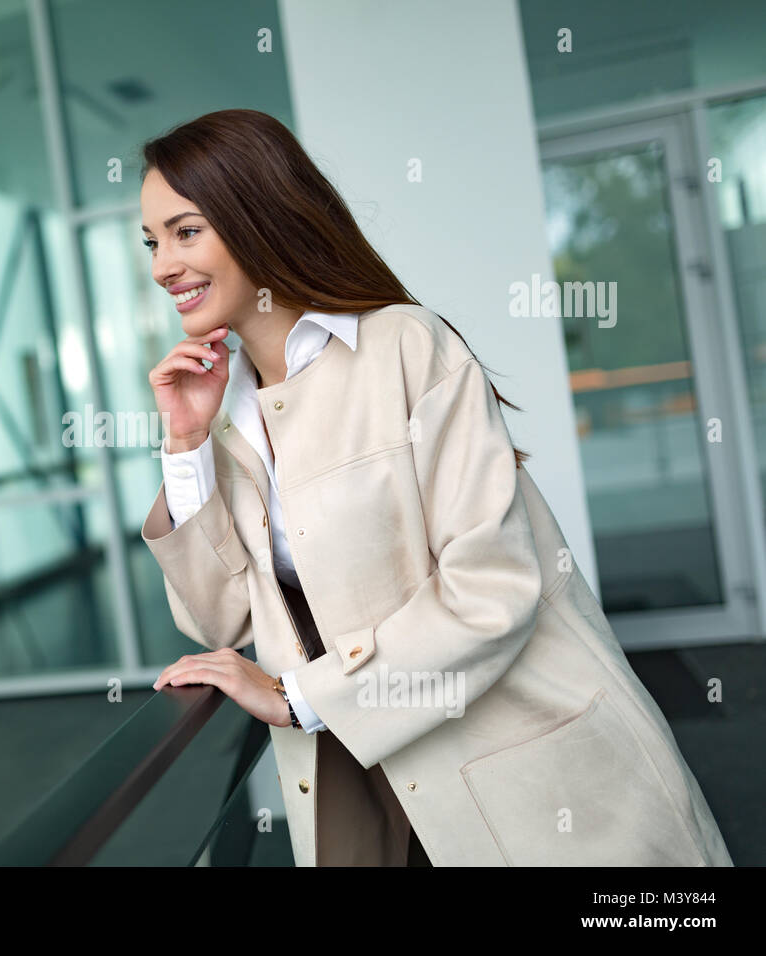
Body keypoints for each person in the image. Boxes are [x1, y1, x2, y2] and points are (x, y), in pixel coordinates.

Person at [140, 109, 733, 867]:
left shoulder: (406, 346)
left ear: (258, 216)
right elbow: (214, 621)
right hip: (359, 788)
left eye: (186, 232)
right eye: (154, 242)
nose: (162, 266)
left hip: (525, 773)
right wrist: (186, 446)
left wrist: (300, 699)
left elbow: (491, 586)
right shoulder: (229, 416)